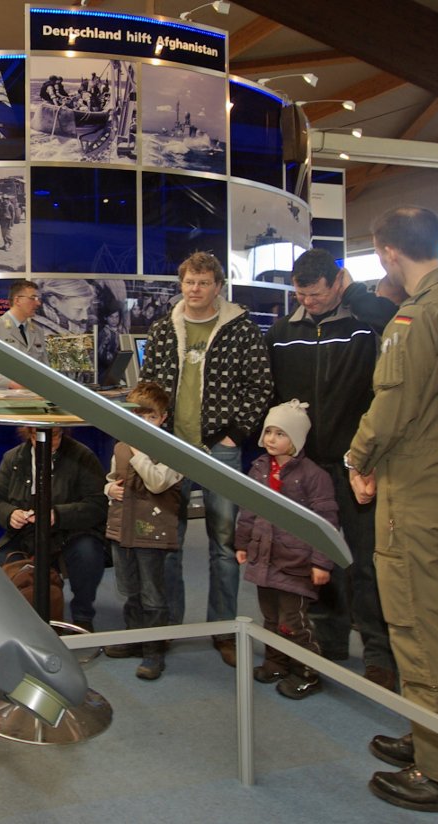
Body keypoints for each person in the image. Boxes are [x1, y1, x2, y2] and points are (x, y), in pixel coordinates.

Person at [347, 206, 438, 816]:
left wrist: (358, 456)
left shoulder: (417, 314)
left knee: (420, 625)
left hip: (419, 483)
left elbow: (393, 403)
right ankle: (434, 736)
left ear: (386, 252)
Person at [265, 248, 399, 690]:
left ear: (337, 282)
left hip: (354, 463)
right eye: (301, 294)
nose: (309, 302)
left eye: (317, 294)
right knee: (316, 560)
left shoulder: (368, 323)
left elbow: (387, 389)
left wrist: (370, 457)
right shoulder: (282, 331)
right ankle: (330, 642)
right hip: (306, 466)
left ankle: (379, 654)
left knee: (363, 561)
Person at [140, 251, 273, 668]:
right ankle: (170, 628)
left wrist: (233, 434)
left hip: (222, 450)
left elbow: (260, 386)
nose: (194, 290)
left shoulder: (242, 329)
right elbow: (149, 387)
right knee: (168, 542)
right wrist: (154, 431)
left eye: (202, 283)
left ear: (218, 286)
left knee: (224, 544)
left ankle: (223, 630)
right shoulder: (164, 329)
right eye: (188, 282)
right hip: (172, 447)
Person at [236, 400, 338, 700]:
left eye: (280, 434)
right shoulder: (259, 468)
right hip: (264, 558)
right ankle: (276, 661)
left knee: (294, 621)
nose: (270, 439)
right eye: (268, 431)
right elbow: (249, 509)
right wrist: (242, 543)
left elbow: (326, 521)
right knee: (269, 617)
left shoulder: (313, 475)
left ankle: (307, 671)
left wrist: (322, 562)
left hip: (296, 561)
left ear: (296, 439)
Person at [0, 427, 107, 631]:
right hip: (25, 533)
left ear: (63, 433)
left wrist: (57, 515)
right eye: (37, 436)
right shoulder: (13, 458)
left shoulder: (82, 456)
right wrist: (10, 514)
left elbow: (97, 505)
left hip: (71, 532)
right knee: (2, 562)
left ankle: (82, 615)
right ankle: (22, 620)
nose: (48, 442)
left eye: (56, 436)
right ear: (29, 435)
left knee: (88, 554)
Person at [103, 381, 182, 680]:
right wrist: (109, 488)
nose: (143, 421)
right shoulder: (120, 446)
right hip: (122, 527)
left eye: (150, 416)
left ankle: (153, 650)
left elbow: (157, 482)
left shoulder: (173, 449)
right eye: (136, 414)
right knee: (129, 588)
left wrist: (137, 449)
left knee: (152, 593)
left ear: (162, 418)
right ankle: (134, 638)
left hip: (153, 532)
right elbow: (112, 477)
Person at [0, 279, 49, 389]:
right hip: (5, 400)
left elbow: (45, 370)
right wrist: (12, 384)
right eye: (33, 298)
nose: (38, 303)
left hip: (34, 400)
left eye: (38, 299)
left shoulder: (37, 331)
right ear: (17, 300)